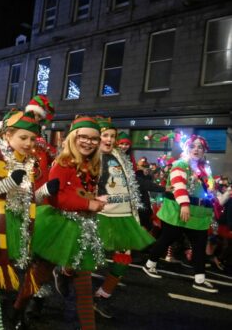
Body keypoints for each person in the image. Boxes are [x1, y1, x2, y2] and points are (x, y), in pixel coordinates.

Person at [0, 110, 59, 330]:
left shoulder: (28, 163)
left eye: (32, 139)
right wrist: (8, 182)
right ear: (8, 136)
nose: (28, 143)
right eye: (23, 138)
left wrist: (45, 190)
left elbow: (29, 198)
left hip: (16, 224)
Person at [18, 116, 106, 330]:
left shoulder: (92, 164)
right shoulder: (63, 162)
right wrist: (89, 204)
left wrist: (96, 201)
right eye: (83, 137)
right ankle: (17, 311)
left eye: (94, 139)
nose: (88, 142)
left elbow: (85, 191)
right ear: (74, 137)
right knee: (39, 276)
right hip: (59, 225)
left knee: (84, 286)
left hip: (82, 227)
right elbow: (56, 198)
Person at [92, 117, 155, 318]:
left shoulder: (121, 157)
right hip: (100, 215)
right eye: (105, 135)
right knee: (86, 255)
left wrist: (134, 216)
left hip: (124, 215)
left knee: (123, 259)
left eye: (112, 136)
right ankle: (65, 273)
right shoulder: (91, 156)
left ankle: (103, 296)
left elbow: (131, 187)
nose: (110, 139)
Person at [142, 135, 218, 293]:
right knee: (168, 238)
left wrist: (214, 195)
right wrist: (184, 204)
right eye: (193, 146)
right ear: (187, 148)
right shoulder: (180, 164)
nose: (196, 150)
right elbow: (179, 185)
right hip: (178, 211)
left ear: (204, 151)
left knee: (199, 245)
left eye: (200, 147)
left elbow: (208, 191)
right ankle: (150, 264)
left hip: (199, 214)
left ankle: (199, 279)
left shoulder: (205, 169)